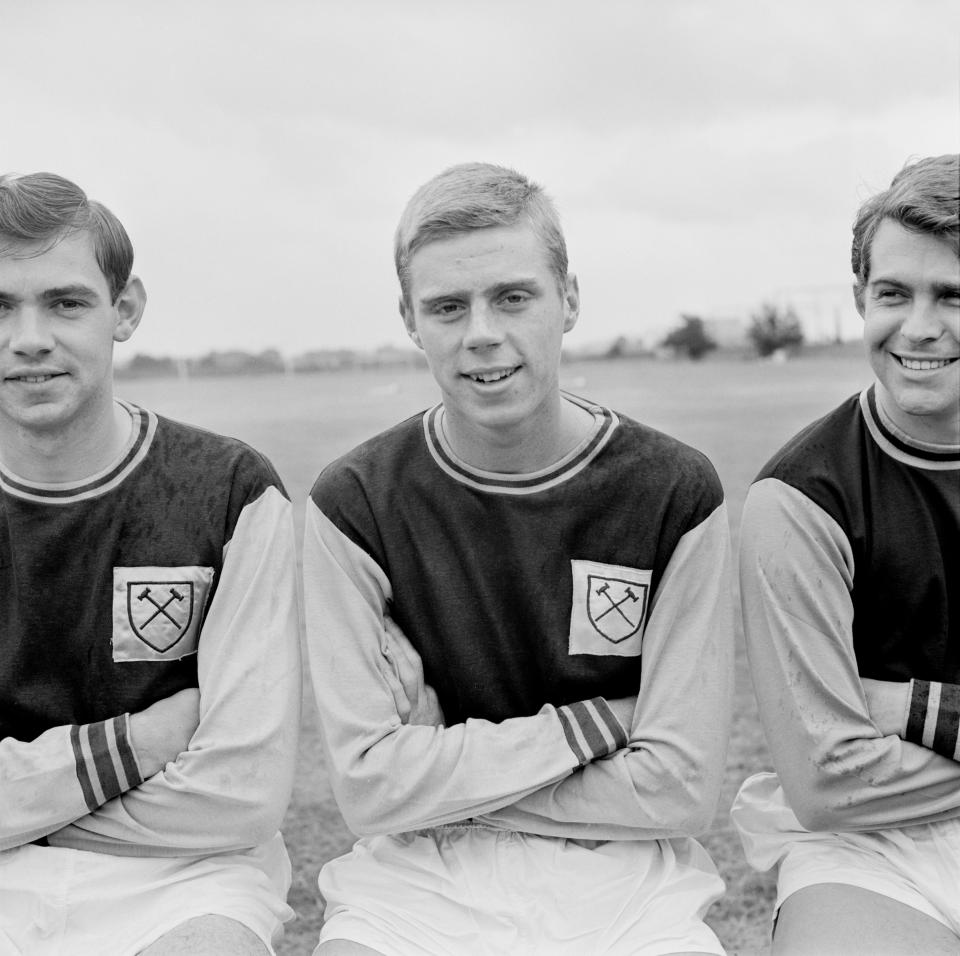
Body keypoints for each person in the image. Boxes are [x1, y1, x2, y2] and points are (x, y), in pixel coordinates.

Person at [303, 162, 735, 955]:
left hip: (627, 876)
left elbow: (677, 790)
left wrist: (435, 775)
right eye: (447, 306)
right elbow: (369, 792)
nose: (481, 333)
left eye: (512, 296)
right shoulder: (352, 502)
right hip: (414, 876)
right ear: (410, 319)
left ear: (568, 298)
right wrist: (599, 727)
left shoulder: (674, 489)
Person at [0, 172, 301, 955]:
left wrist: (29, 802)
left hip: (186, 876)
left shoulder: (233, 489)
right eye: (0, 307)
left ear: (123, 310)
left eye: (65, 303)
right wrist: (142, 742)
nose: (29, 336)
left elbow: (242, 797)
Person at [732, 153, 960, 955]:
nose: (921, 326)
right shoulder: (797, 499)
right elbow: (828, 783)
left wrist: (901, 707)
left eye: (953, 296)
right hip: (871, 850)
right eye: (893, 293)